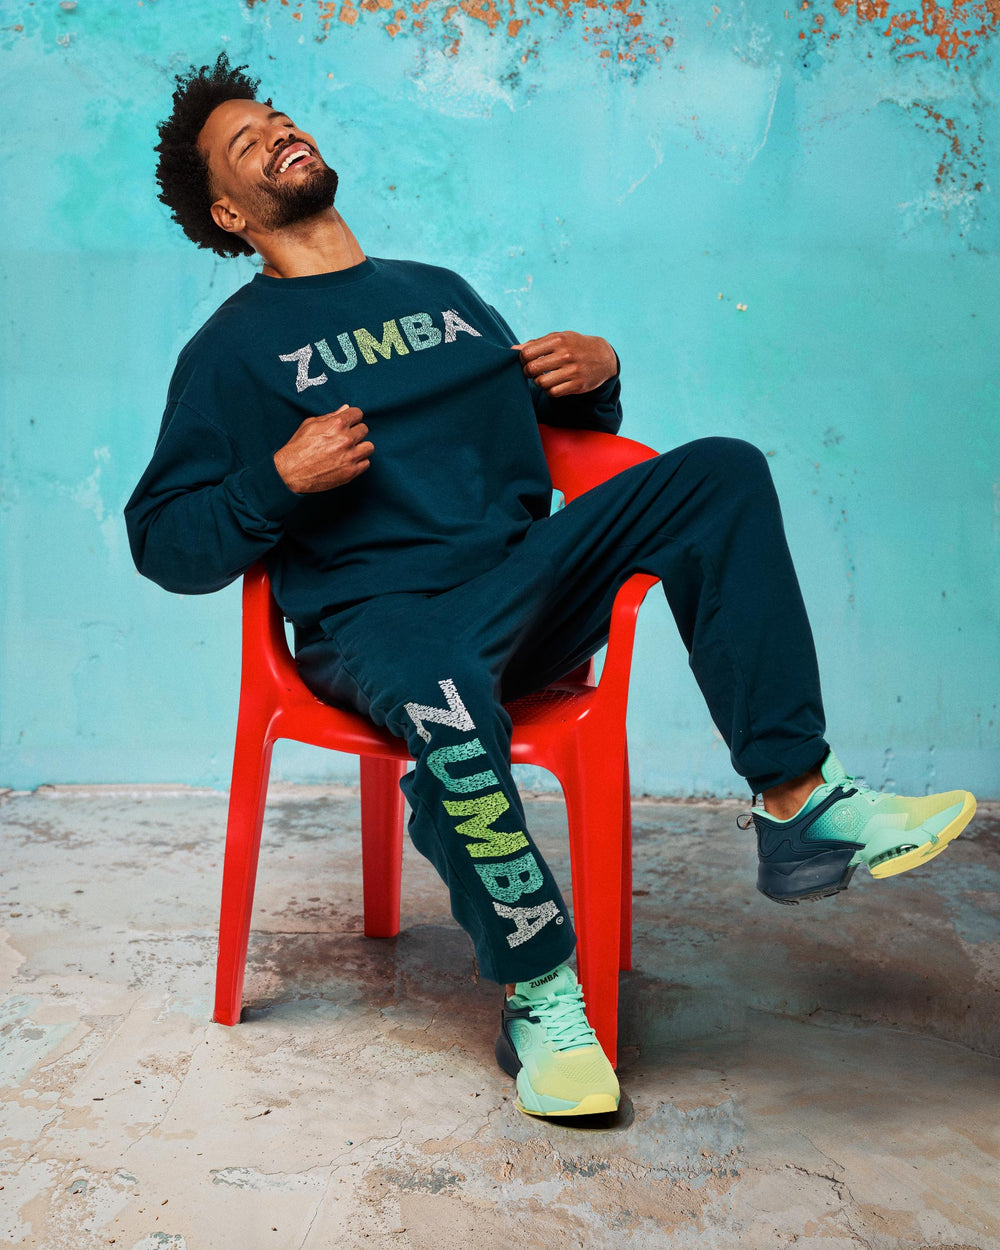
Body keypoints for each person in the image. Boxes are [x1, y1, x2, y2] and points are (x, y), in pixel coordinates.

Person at [125, 53, 977, 1120]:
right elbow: (163, 539)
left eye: (278, 120)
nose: (276, 136)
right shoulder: (231, 353)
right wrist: (276, 479)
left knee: (718, 467)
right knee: (445, 703)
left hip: (520, 583)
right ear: (227, 211)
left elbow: (557, 442)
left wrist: (598, 372)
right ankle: (539, 989)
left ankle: (798, 798)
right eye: (245, 145)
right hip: (378, 619)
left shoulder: (438, 295)